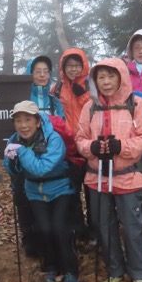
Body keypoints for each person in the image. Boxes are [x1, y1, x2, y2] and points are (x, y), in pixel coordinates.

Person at [76, 58, 142, 282]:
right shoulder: (89, 107)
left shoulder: (136, 103)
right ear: (95, 81)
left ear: (121, 77)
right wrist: (92, 147)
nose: (107, 82)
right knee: (104, 226)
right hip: (97, 177)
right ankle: (115, 269)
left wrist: (122, 146)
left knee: (132, 227)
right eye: (101, 77)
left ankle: (139, 273)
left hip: (128, 177)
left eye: (111, 76)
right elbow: (79, 139)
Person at [4, 101, 80, 282]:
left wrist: (20, 152)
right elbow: (11, 168)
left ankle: (71, 271)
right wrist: (13, 163)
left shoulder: (53, 139)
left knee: (60, 229)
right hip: (34, 192)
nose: (23, 125)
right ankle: (51, 265)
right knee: (43, 229)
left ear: (37, 121)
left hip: (60, 189)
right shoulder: (14, 138)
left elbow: (42, 168)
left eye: (28, 119)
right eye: (18, 120)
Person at [12, 55, 65, 259]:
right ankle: (31, 243)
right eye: (37, 71)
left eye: (45, 71)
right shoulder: (23, 99)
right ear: (30, 74)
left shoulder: (54, 100)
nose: (42, 75)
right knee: (25, 201)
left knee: (49, 203)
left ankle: (52, 245)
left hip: (47, 155)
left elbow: (62, 123)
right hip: (25, 155)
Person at [52, 48, 92, 244]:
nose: (74, 69)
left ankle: (95, 230)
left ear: (83, 66)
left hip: (90, 145)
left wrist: (83, 94)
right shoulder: (57, 88)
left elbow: (97, 106)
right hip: (69, 147)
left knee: (93, 192)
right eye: (70, 66)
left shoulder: (92, 84)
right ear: (63, 67)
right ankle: (78, 230)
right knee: (73, 192)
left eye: (77, 65)